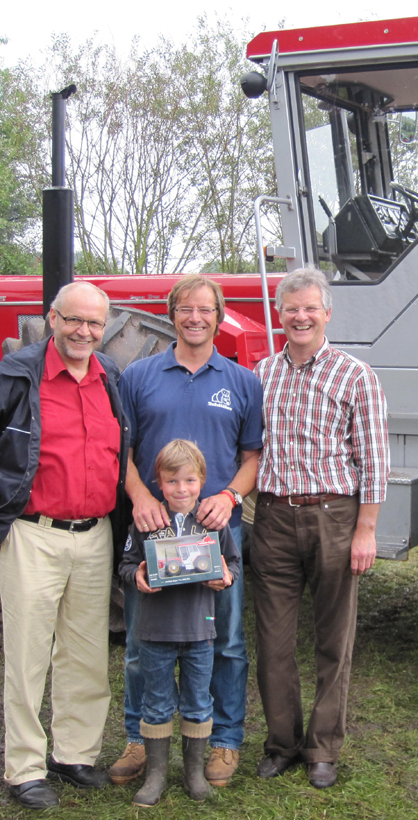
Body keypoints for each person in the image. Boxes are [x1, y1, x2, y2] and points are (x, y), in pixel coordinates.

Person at [0, 282, 128, 810]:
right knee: (28, 654)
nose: (84, 331)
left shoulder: (112, 381)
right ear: (53, 319)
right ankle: (24, 768)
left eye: (94, 323)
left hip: (95, 534)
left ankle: (75, 753)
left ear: (104, 327)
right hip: (32, 533)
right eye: (74, 320)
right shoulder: (17, 377)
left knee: (86, 652)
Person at [111, 274, 262, 789]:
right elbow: (122, 453)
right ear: (171, 313)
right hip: (155, 535)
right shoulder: (139, 376)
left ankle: (223, 742)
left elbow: (252, 458)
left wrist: (229, 497)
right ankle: (138, 737)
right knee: (140, 641)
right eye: (185, 309)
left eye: (205, 309)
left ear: (220, 316)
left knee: (226, 642)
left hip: (217, 536)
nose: (195, 318)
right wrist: (140, 496)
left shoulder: (243, 382)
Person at [252, 267, 389, 789]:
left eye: (310, 308)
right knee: (273, 640)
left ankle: (324, 747)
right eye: (291, 308)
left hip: (334, 517)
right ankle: (282, 743)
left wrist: (366, 529)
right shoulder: (261, 375)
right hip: (273, 519)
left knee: (335, 638)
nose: (300, 316)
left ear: (326, 314)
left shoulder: (355, 376)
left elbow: (374, 461)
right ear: (279, 314)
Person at [118, 439, 241, 806]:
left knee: (198, 702)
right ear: (158, 482)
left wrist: (225, 576)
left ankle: (193, 774)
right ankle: (156, 775)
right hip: (155, 631)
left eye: (189, 481)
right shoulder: (147, 522)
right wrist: (137, 574)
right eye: (172, 482)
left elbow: (233, 564)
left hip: (200, 630)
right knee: (155, 703)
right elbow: (125, 565)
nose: (181, 489)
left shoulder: (212, 524)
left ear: (201, 481)